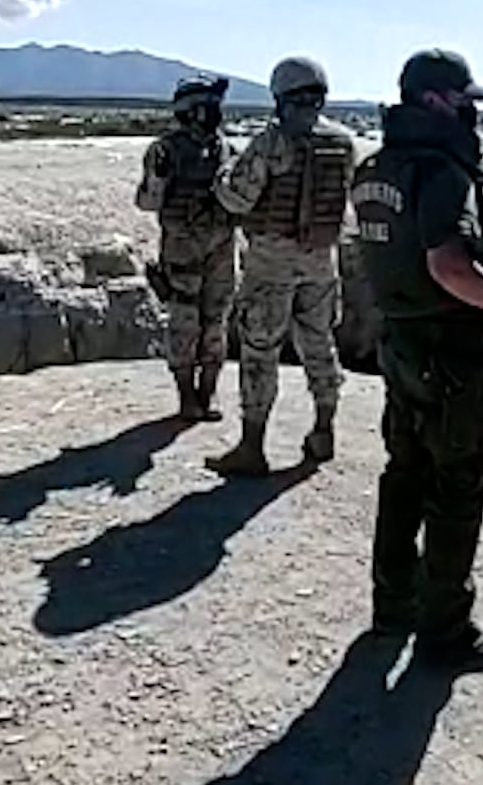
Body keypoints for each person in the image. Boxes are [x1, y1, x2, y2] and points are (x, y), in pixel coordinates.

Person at [350, 48, 483, 672]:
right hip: (451, 354)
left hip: (402, 343)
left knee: (403, 473)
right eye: (465, 101)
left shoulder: (377, 167)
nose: (472, 115)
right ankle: (445, 631)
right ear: (436, 100)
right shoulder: (441, 172)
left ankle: (393, 606)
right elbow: (448, 265)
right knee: (456, 487)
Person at [205, 56, 357, 476]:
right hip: (322, 260)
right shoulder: (343, 140)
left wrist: (221, 175)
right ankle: (324, 430)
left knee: (259, 351)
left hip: (271, 261)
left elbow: (237, 198)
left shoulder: (272, 142)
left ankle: (252, 448)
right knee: (320, 344)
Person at [135, 75, 238, 422]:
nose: (215, 114)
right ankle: (186, 401)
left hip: (221, 249)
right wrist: (159, 178)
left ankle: (206, 397)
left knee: (216, 322)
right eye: (208, 107)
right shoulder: (165, 150)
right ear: (190, 111)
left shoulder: (225, 148)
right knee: (183, 324)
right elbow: (148, 203)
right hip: (182, 251)